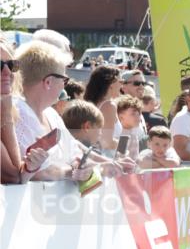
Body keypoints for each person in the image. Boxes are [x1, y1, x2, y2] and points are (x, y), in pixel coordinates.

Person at [13, 42, 126, 181]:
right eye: (64, 80)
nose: (64, 86)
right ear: (48, 82)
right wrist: (81, 170)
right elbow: (38, 172)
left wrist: (108, 164)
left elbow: (74, 148)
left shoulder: (50, 113)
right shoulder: (18, 114)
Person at [1, 38, 48, 184]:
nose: (7, 71)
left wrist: (30, 167)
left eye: (11, 64)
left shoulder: (7, 107)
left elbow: (18, 175)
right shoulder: (8, 109)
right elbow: (12, 176)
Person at [83, 65, 124, 150]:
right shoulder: (109, 106)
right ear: (111, 84)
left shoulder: (94, 103)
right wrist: (125, 144)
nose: (122, 85)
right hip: (106, 157)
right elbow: (106, 143)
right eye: (121, 81)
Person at [113, 95, 145, 160]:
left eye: (139, 113)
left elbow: (134, 158)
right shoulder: (118, 134)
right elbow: (119, 157)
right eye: (133, 114)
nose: (138, 117)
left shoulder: (134, 133)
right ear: (121, 116)